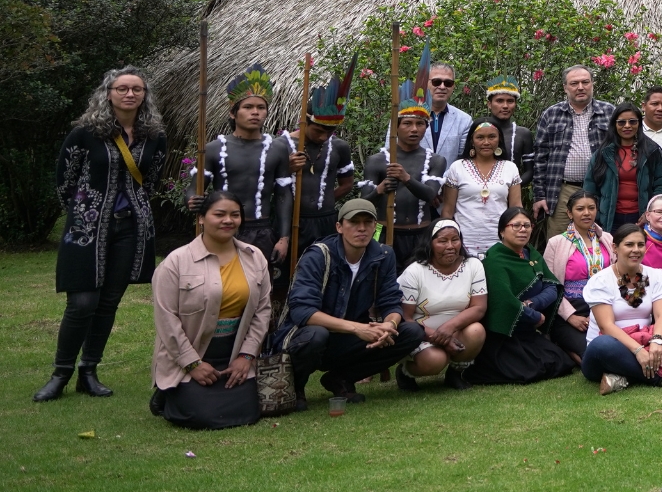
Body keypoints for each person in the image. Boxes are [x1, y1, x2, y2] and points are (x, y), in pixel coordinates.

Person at [38, 67, 167, 402]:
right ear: (108, 92)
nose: (129, 94)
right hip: (87, 228)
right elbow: (64, 180)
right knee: (82, 302)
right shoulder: (85, 132)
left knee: (109, 301)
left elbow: (150, 179)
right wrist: (86, 211)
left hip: (131, 227)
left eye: (136, 89)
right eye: (122, 88)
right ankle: (60, 373)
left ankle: (89, 371)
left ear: (144, 94)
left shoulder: (154, 135)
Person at [274, 198, 426, 410]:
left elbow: (391, 301)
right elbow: (302, 311)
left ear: (375, 226)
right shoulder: (318, 255)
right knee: (316, 334)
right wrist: (357, 328)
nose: (361, 228)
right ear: (339, 226)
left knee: (410, 331)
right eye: (354, 222)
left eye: (367, 222)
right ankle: (296, 387)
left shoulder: (383, 255)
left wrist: (389, 325)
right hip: (307, 336)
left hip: (350, 337)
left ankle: (341, 379)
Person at [149, 191, 271, 428]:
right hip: (190, 352)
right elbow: (166, 319)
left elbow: (262, 311)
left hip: (233, 353)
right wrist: (192, 363)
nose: (228, 220)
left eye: (235, 215)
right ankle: (168, 393)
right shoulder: (176, 262)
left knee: (248, 414)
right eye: (219, 214)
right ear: (202, 218)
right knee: (202, 416)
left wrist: (246, 356)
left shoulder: (254, 257)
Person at [579, 222, 662, 393]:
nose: (636, 249)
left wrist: (657, 340)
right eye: (629, 244)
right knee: (602, 345)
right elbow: (607, 326)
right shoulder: (601, 281)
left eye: (640, 244)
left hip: (646, 339)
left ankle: (622, 377)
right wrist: (638, 351)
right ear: (615, 248)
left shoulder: (654, 275)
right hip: (613, 346)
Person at [469, 207, 576, 384]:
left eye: (527, 225)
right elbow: (505, 301)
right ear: (502, 231)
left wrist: (533, 304)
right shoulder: (494, 260)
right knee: (529, 372)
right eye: (516, 225)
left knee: (560, 363)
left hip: (528, 328)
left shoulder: (531, 254)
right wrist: (534, 316)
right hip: (506, 331)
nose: (522, 229)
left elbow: (551, 285)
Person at [195, 64, 289, 261]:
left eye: (261, 107)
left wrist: (284, 237)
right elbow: (194, 189)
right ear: (233, 113)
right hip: (223, 227)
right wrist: (192, 200)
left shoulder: (277, 148)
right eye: (248, 107)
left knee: (260, 286)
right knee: (219, 285)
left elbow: (283, 196)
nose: (255, 112)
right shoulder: (214, 148)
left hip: (262, 229)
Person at [362, 84, 447, 268]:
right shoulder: (377, 161)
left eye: (420, 124)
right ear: (396, 126)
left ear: (426, 127)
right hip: (385, 232)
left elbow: (431, 195)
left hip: (421, 234)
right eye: (407, 123)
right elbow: (364, 203)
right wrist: (380, 189)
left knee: (418, 286)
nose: (414, 129)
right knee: (383, 284)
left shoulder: (435, 160)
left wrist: (406, 178)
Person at [397, 220, 488, 390]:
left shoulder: (473, 266)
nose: (450, 246)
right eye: (442, 241)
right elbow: (405, 318)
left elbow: (479, 307)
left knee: (476, 330)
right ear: (430, 243)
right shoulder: (415, 271)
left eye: (455, 240)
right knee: (435, 360)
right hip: (422, 334)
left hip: (456, 331)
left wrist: (449, 327)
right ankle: (405, 371)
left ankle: (455, 374)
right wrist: (438, 337)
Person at [278, 69, 361, 254]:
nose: (324, 137)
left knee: (326, 268)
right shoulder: (280, 145)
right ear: (304, 122)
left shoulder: (340, 147)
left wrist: (326, 200)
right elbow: (267, 185)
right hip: (290, 221)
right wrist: (287, 169)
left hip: (326, 221)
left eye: (329, 131)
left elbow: (347, 184)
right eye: (318, 131)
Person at [531, 65, 614, 240]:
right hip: (562, 191)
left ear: (592, 84)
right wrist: (539, 195)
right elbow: (540, 158)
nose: (580, 87)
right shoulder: (551, 114)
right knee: (560, 242)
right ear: (565, 87)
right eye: (574, 83)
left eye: (585, 82)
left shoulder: (609, 112)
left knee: (602, 240)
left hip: (600, 189)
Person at [544, 192, 615, 356]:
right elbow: (550, 286)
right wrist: (570, 316)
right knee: (591, 350)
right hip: (572, 308)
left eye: (591, 208)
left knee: (612, 345)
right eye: (580, 209)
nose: (586, 213)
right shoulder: (556, 243)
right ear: (570, 213)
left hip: (604, 305)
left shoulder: (607, 239)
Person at [581, 102, 662, 231]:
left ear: (639, 124)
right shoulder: (603, 153)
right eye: (621, 122)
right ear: (614, 124)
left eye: (632, 122)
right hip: (609, 218)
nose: (627, 126)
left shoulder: (652, 151)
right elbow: (590, 188)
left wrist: (651, 213)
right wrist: (597, 215)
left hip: (642, 218)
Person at [441, 121, 524, 259]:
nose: (486, 142)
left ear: (499, 139)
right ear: (472, 141)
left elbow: (516, 208)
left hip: (501, 239)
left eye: (492, 137)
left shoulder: (510, 168)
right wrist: (446, 239)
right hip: (463, 241)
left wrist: (517, 239)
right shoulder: (458, 167)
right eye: (480, 137)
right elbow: (448, 211)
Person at [471, 77, 536, 173]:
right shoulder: (477, 130)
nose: (505, 106)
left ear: (515, 104)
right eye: (499, 101)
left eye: (510, 101)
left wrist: (513, 187)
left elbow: (530, 171)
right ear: (489, 104)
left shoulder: (523, 134)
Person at [419, 61, 472, 164]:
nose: (442, 87)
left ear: (453, 86)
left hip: (450, 179)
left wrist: (445, 179)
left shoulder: (464, 120)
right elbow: (391, 153)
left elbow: (464, 160)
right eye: (436, 82)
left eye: (448, 83)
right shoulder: (405, 115)